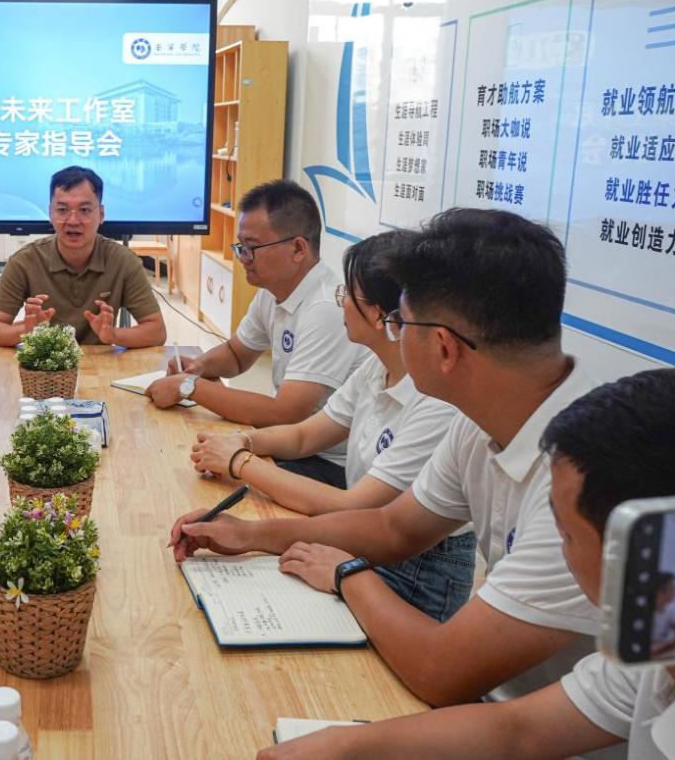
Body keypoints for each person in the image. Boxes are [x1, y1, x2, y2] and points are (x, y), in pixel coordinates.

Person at [170, 208, 602, 707]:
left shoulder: (585, 480)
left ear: (443, 347)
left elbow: (442, 672)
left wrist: (346, 575)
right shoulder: (483, 415)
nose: (394, 333)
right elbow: (392, 528)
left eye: (401, 322)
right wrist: (248, 535)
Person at [258, 369, 675, 760]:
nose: (562, 549)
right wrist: (344, 744)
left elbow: (449, 680)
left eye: (567, 533)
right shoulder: (651, 660)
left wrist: (347, 573)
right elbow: (518, 730)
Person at [189, 231, 474, 622]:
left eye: (348, 293)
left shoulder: (438, 403)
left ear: (383, 315)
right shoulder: (377, 367)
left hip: (420, 569)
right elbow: (305, 434)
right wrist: (244, 440)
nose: (340, 301)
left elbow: (353, 506)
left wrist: (239, 461)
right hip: (365, 537)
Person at [147, 180, 368, 486]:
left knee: (209, 481)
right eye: (240, 247)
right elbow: (237, 354)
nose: (243, 258)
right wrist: (198, 367)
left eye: (251, 248)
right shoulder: (273, 289)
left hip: (328, 464)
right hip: (290, 443)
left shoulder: (325, 308)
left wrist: (188, 386)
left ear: (298, 248)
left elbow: (285, 414)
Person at [0, 165, 167, 348]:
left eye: (84, 210)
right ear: (50, 213)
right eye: (62, 210)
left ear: (101, 214)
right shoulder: (24, 261)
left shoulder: (123, 261)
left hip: (102, 363)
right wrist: (26, 329)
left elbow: (156, 331)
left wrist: (113, 335)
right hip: (45, 364)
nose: (73, 221)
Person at [651, 573, 675, 657]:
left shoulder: (668, 610)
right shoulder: (645, 613)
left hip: (663, 650)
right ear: (660, 591)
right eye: (672, 589)